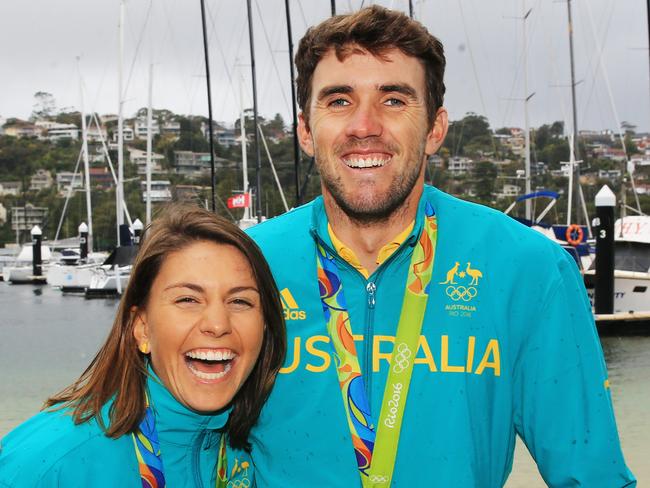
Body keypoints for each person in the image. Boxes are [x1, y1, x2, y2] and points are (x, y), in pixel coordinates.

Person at [246, 6, 636, 487]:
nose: (364, 125)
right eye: (339, 101)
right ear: (306, 130)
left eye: (393, 100)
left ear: (435, 128)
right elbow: (165, 440)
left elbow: (592, 476)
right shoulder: (243, 265)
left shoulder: (528, 268)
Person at [0, 205, 286, 487]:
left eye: (240, 301)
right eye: (187, 299)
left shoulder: (257, 454)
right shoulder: (50, 463)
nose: (217, 324)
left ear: (264, 327)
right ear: (142, 327)